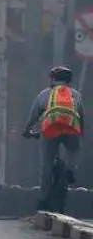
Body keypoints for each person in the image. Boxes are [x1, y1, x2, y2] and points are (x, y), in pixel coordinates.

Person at [23, 65, 83, 213]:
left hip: (50, 131)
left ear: (53, 80)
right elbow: (81, 117)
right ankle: (70, 170)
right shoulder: (76, 95)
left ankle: (43, 199)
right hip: (70, 130)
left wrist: (27, 131)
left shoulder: (44, 94)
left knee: (46, 164)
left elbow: (33, 117)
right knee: (74, 149)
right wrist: (80, 134)